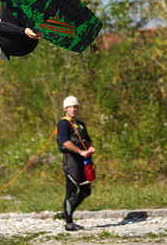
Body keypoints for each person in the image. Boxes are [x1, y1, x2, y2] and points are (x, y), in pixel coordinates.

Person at [56, 96, 95, 231]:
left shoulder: (80, 124)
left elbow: (88, 140)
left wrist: (90, 148)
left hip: (83, 161)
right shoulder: (63, 124)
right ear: (65, 109)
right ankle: (68, 222)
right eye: (70, 107)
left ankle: (67, 211)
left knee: (86, 190)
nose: (73, 110)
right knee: (71, 192)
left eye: (75, 107)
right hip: (71, 161)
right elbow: (65, 142)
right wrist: (80, 152)